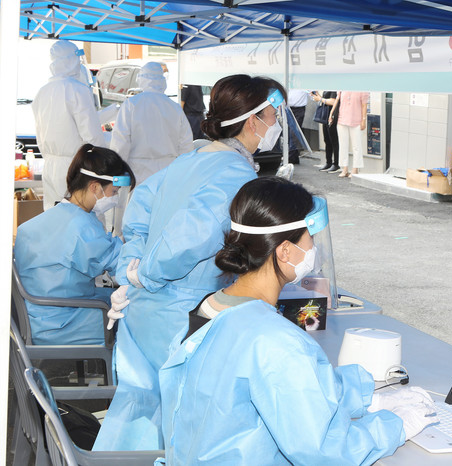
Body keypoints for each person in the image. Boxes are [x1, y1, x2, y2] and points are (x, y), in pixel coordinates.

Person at [159, 177, 436, 464]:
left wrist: (366, 397)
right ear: (285, 251)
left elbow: (292, 386)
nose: (314, 249)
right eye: (310, 239)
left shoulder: (210, 307)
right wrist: (394, 426)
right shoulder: (276, 340)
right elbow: (324, 452)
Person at [93, 74, 281, 451]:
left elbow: (140, 209)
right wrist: (146, 273)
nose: (277, 124)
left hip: (146, 312)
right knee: (179, 426)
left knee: (138, 416)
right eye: (274, 116)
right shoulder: (234, 173)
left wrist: (131, 269)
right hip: (180, 317)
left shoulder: (194, 157)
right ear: (253, 121)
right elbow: (191, 237)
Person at [14, 144, 135, 345]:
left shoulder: (37, 222)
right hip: (62, 324)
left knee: (112, 297)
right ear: (94, 187)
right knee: (136, 314)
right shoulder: (83, 227)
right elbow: (124, 264)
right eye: (114, 191)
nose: (115, 200)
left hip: (32, 318)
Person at [109, 62, 194, 236]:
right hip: (167, 174)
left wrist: (116, 172)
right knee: (161, 223)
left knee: (133, 223)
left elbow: (120, 143)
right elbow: (186, 146)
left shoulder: (131, 104)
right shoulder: (174, 108)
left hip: (136, 173)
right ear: (162, 81)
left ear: (141, 79)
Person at [33, 40, 106, 211]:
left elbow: (40, 134)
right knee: (81, 215)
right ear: (71, 60)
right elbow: (92, 135)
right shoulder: (77, 90)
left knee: (53, 214)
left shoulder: (42, 92)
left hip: (50, 165)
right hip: (75, 166)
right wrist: (102, 163)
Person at [329, 91, 369, 177]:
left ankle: (355, 169)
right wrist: (331, 113)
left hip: (357, 121)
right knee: (343, 145)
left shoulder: (362, 89)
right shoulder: (343, 86)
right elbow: (337, 100)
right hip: (341, 120)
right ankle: (344, 168)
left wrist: (364, 120)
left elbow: (364, 105)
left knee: (356, 146)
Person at [311, 90, 341, 173]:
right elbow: (326, 100)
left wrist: (320, 99)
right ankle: (328, 162)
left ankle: (336, 163)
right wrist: (318, 96)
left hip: (333, 115)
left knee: (333, 140)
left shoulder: (334, 89)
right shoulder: (328, 88)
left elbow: (333, 102)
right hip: (326, 115)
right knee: (327, 140)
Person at [287, 89, 309, 164]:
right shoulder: (289, 83)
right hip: (288, 108)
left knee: (294, 132)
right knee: (289, 133)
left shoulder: (304, 84)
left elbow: (312, 93)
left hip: (299, 109)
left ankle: (291, 157)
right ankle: (294, 157)